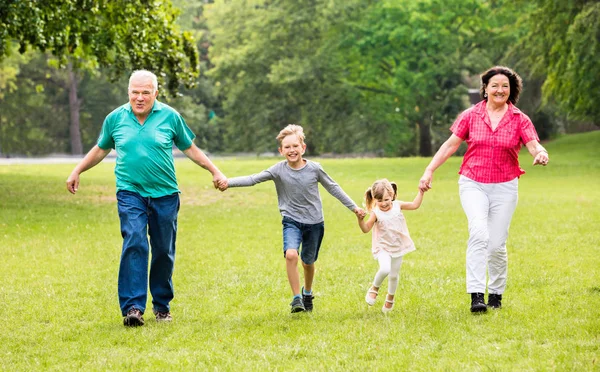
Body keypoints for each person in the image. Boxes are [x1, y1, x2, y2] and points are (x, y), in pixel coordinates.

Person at [66, 70, 226, 327]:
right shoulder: (115, 119)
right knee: (135, 241)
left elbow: (190, 149)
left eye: (145, 93)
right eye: (134, 93)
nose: (139, 98)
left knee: (163, 251)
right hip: (130, 193)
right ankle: (133, 307)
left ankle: (161, 306)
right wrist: (77, 170)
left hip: (165, 195)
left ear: (155, 93)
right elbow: (100, 149)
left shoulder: (170, 116)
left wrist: (214, 170)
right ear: (128, 92)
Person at [418, 66, 549, 313]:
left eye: (505, 86)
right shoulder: (470, 115)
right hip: (473, 183)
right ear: (485, 88)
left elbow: (533, 145)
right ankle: (476, 295)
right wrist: (429, 170)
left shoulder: (520, 119)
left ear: (512, 91)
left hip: (505, 186)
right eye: (495, 85)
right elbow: (449, 146)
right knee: (478, 233)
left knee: (496, 244)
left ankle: (496, 293)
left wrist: (541, 154)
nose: (500, 90)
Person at [218, 124, 365, 313]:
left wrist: (354, 207)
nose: (291, 150)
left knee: (308, 262)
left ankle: (307, 293)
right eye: (287, 147)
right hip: (291, 220)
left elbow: (333, 188)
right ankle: (296, 299)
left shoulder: (314, 169)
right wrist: (228, 183)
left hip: (314, 223)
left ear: (303, 148)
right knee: (291, 255)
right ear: (281, 151)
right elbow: (253, 179)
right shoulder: (278, 170)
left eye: (295, 146)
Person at [357, 179, 424, 313]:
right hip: (383, 247)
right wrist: (360, 219)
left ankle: (390, 298)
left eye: (386, 199)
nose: (383, 203)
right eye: (379, 200)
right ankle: (374, 289)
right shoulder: (376, 213)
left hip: (398, 246)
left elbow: (415, 205)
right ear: (375, 200)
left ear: (392, 195)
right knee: (385, 268)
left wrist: (421, 191)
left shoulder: (398, 205)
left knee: (394, 275)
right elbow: (365, 229)